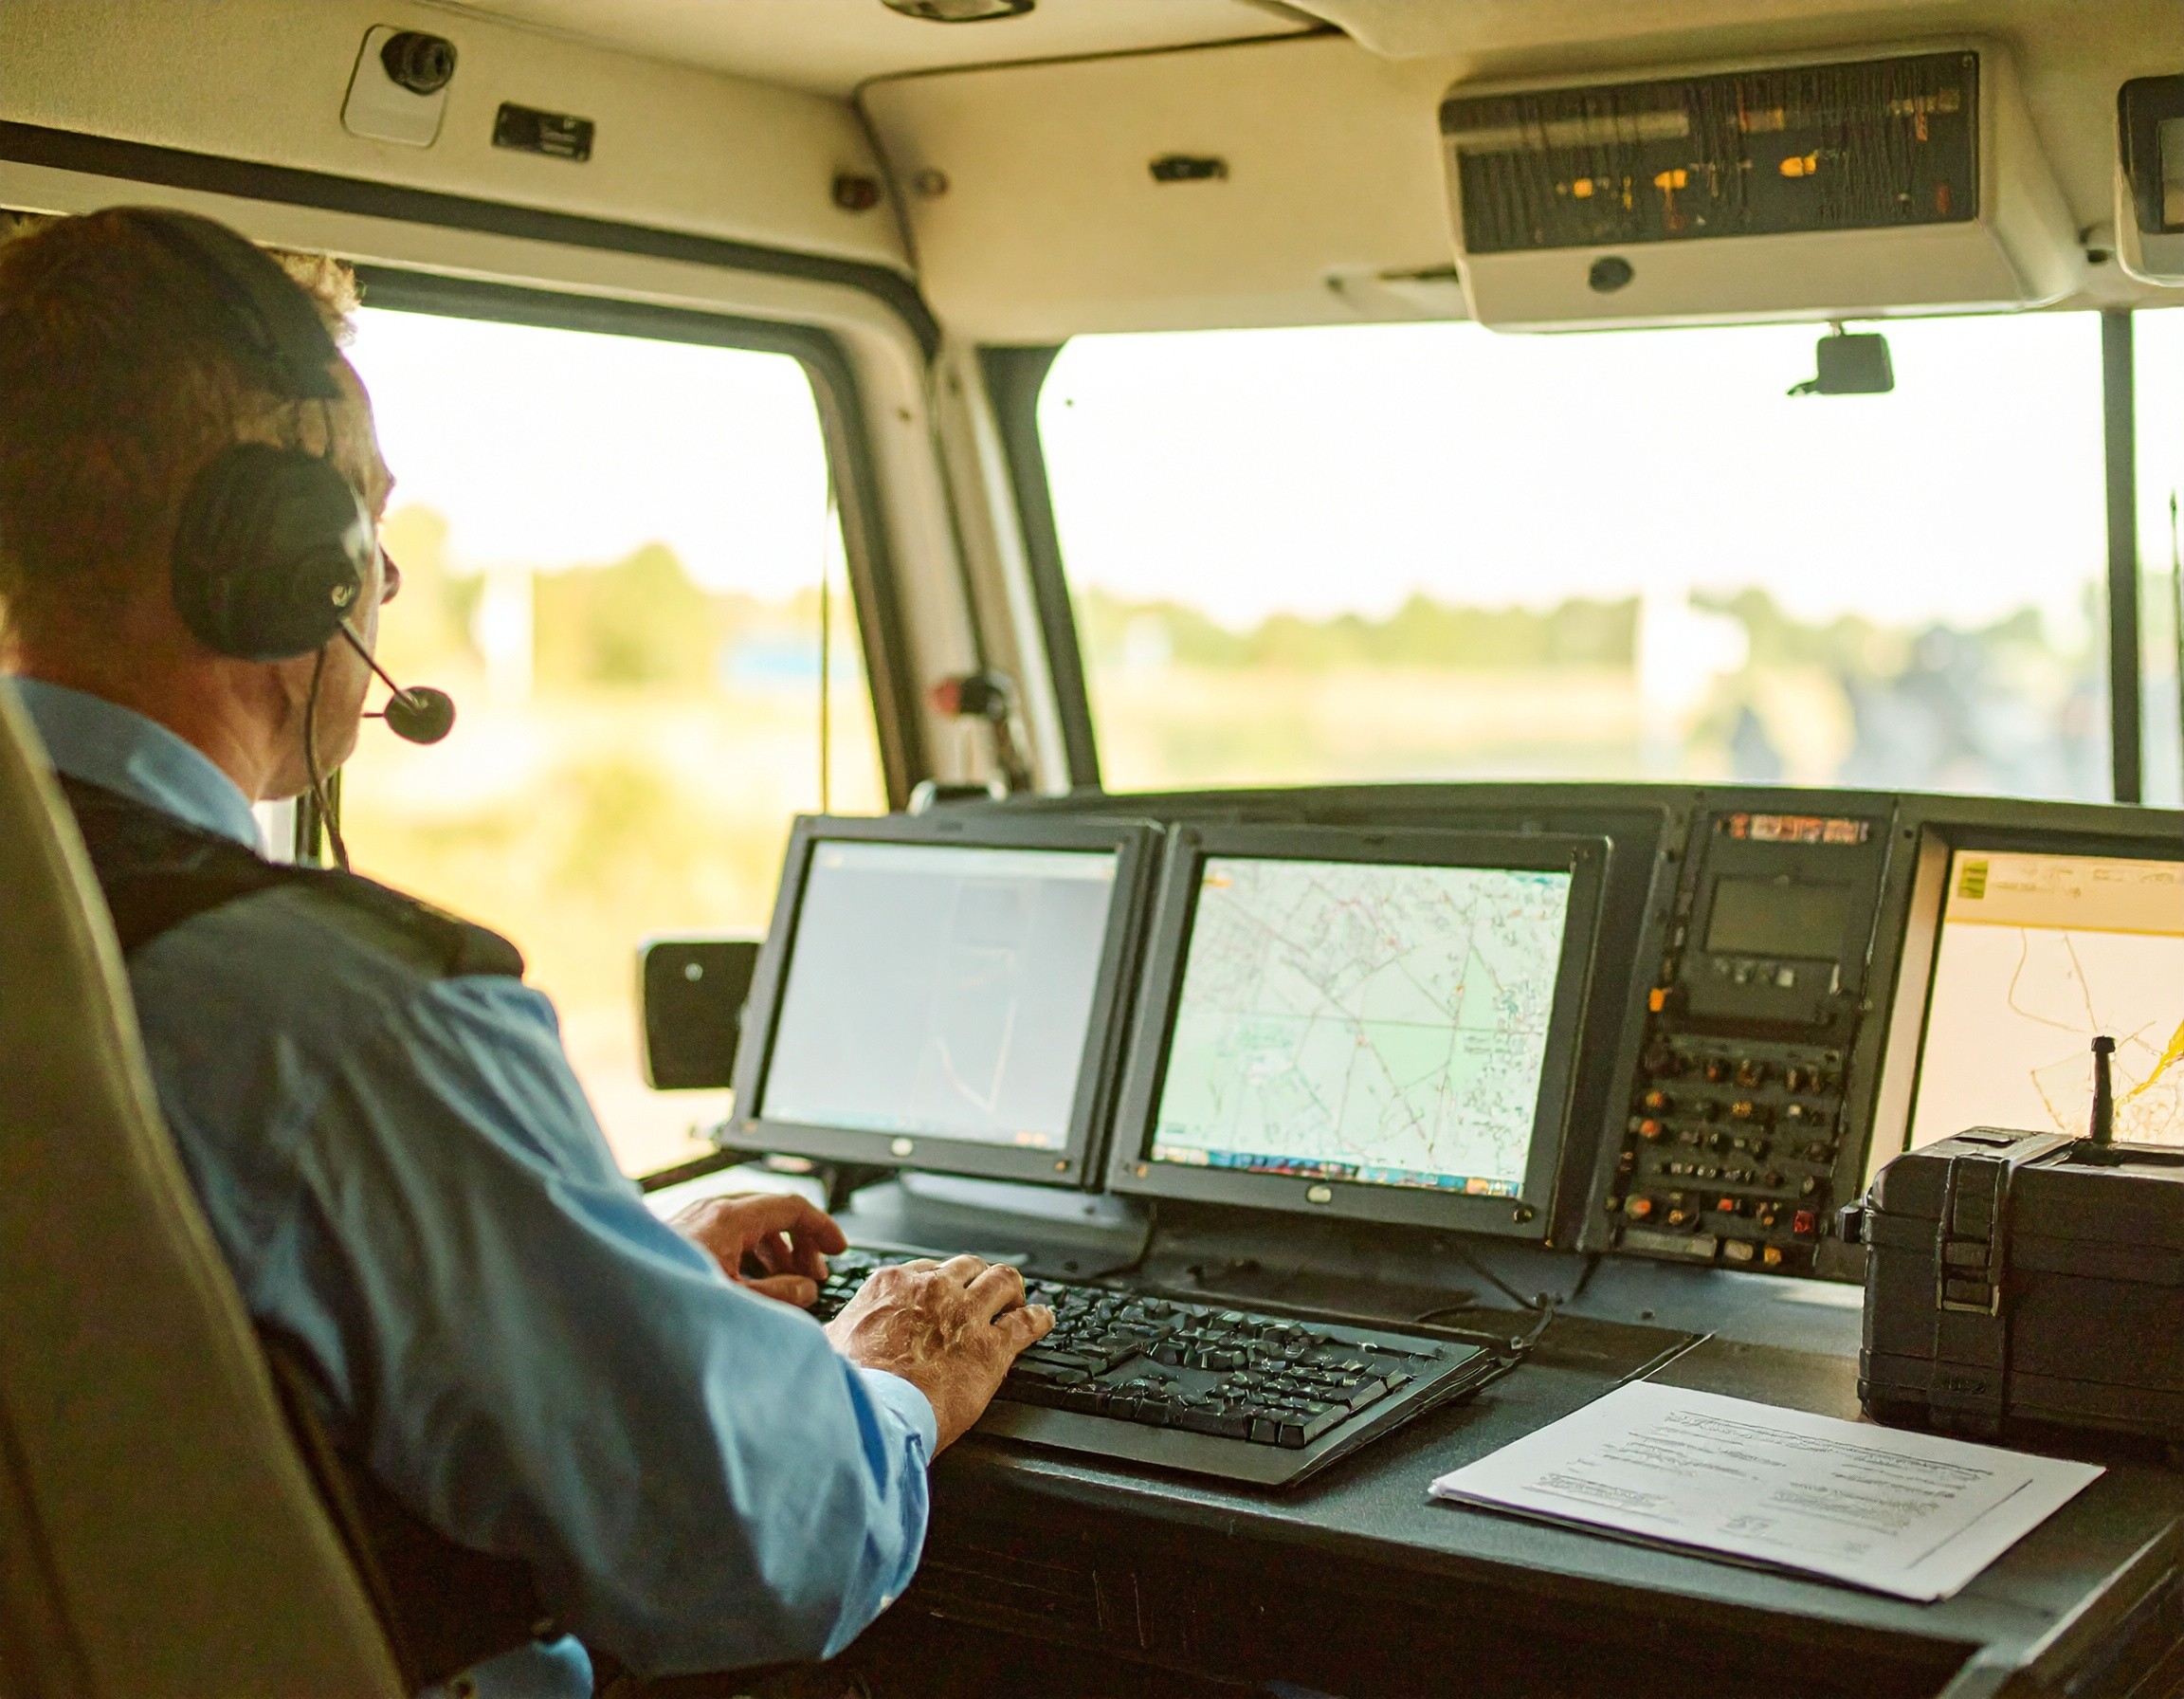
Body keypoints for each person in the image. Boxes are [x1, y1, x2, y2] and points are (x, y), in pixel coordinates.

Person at [0, 207, 1052, 1698]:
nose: (386, 580)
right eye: (362, 518)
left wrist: (614, 1282)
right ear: (282, 562)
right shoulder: (337, 1014)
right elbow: (759, 1544)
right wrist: (884, 1377)